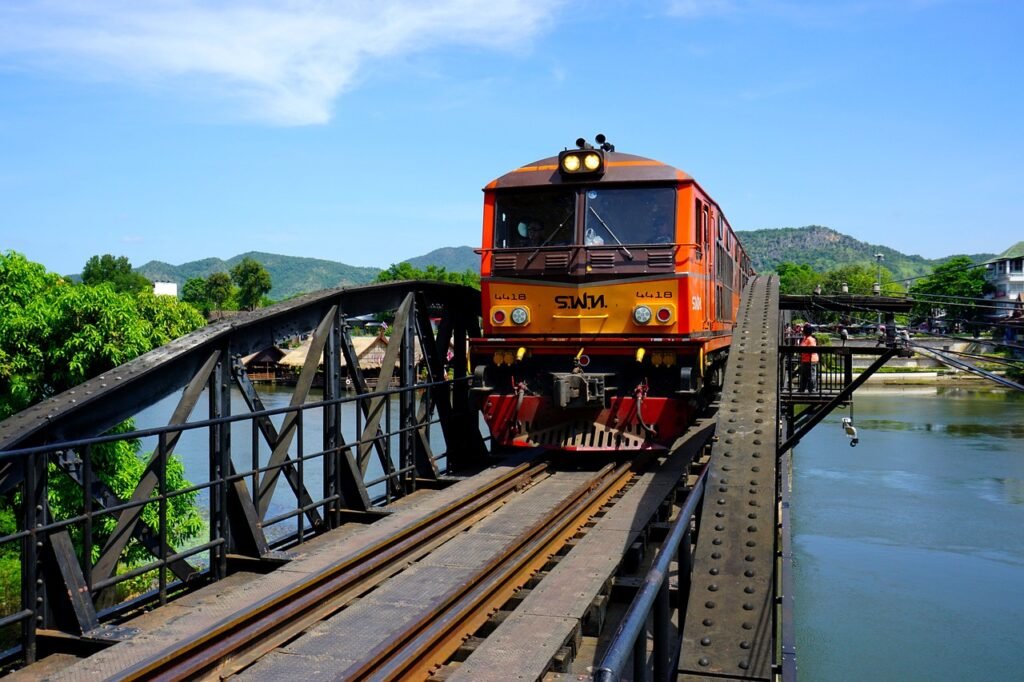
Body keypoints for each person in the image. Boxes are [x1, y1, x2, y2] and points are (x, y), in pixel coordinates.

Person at [799, 324, 819, 392]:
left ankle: (812, 390)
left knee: (811, 376)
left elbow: (811, 349)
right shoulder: (805, 339)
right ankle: (802, 389)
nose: (802, 332)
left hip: (811, 360)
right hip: (805, 360)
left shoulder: (811, 339)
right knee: (803, 376)